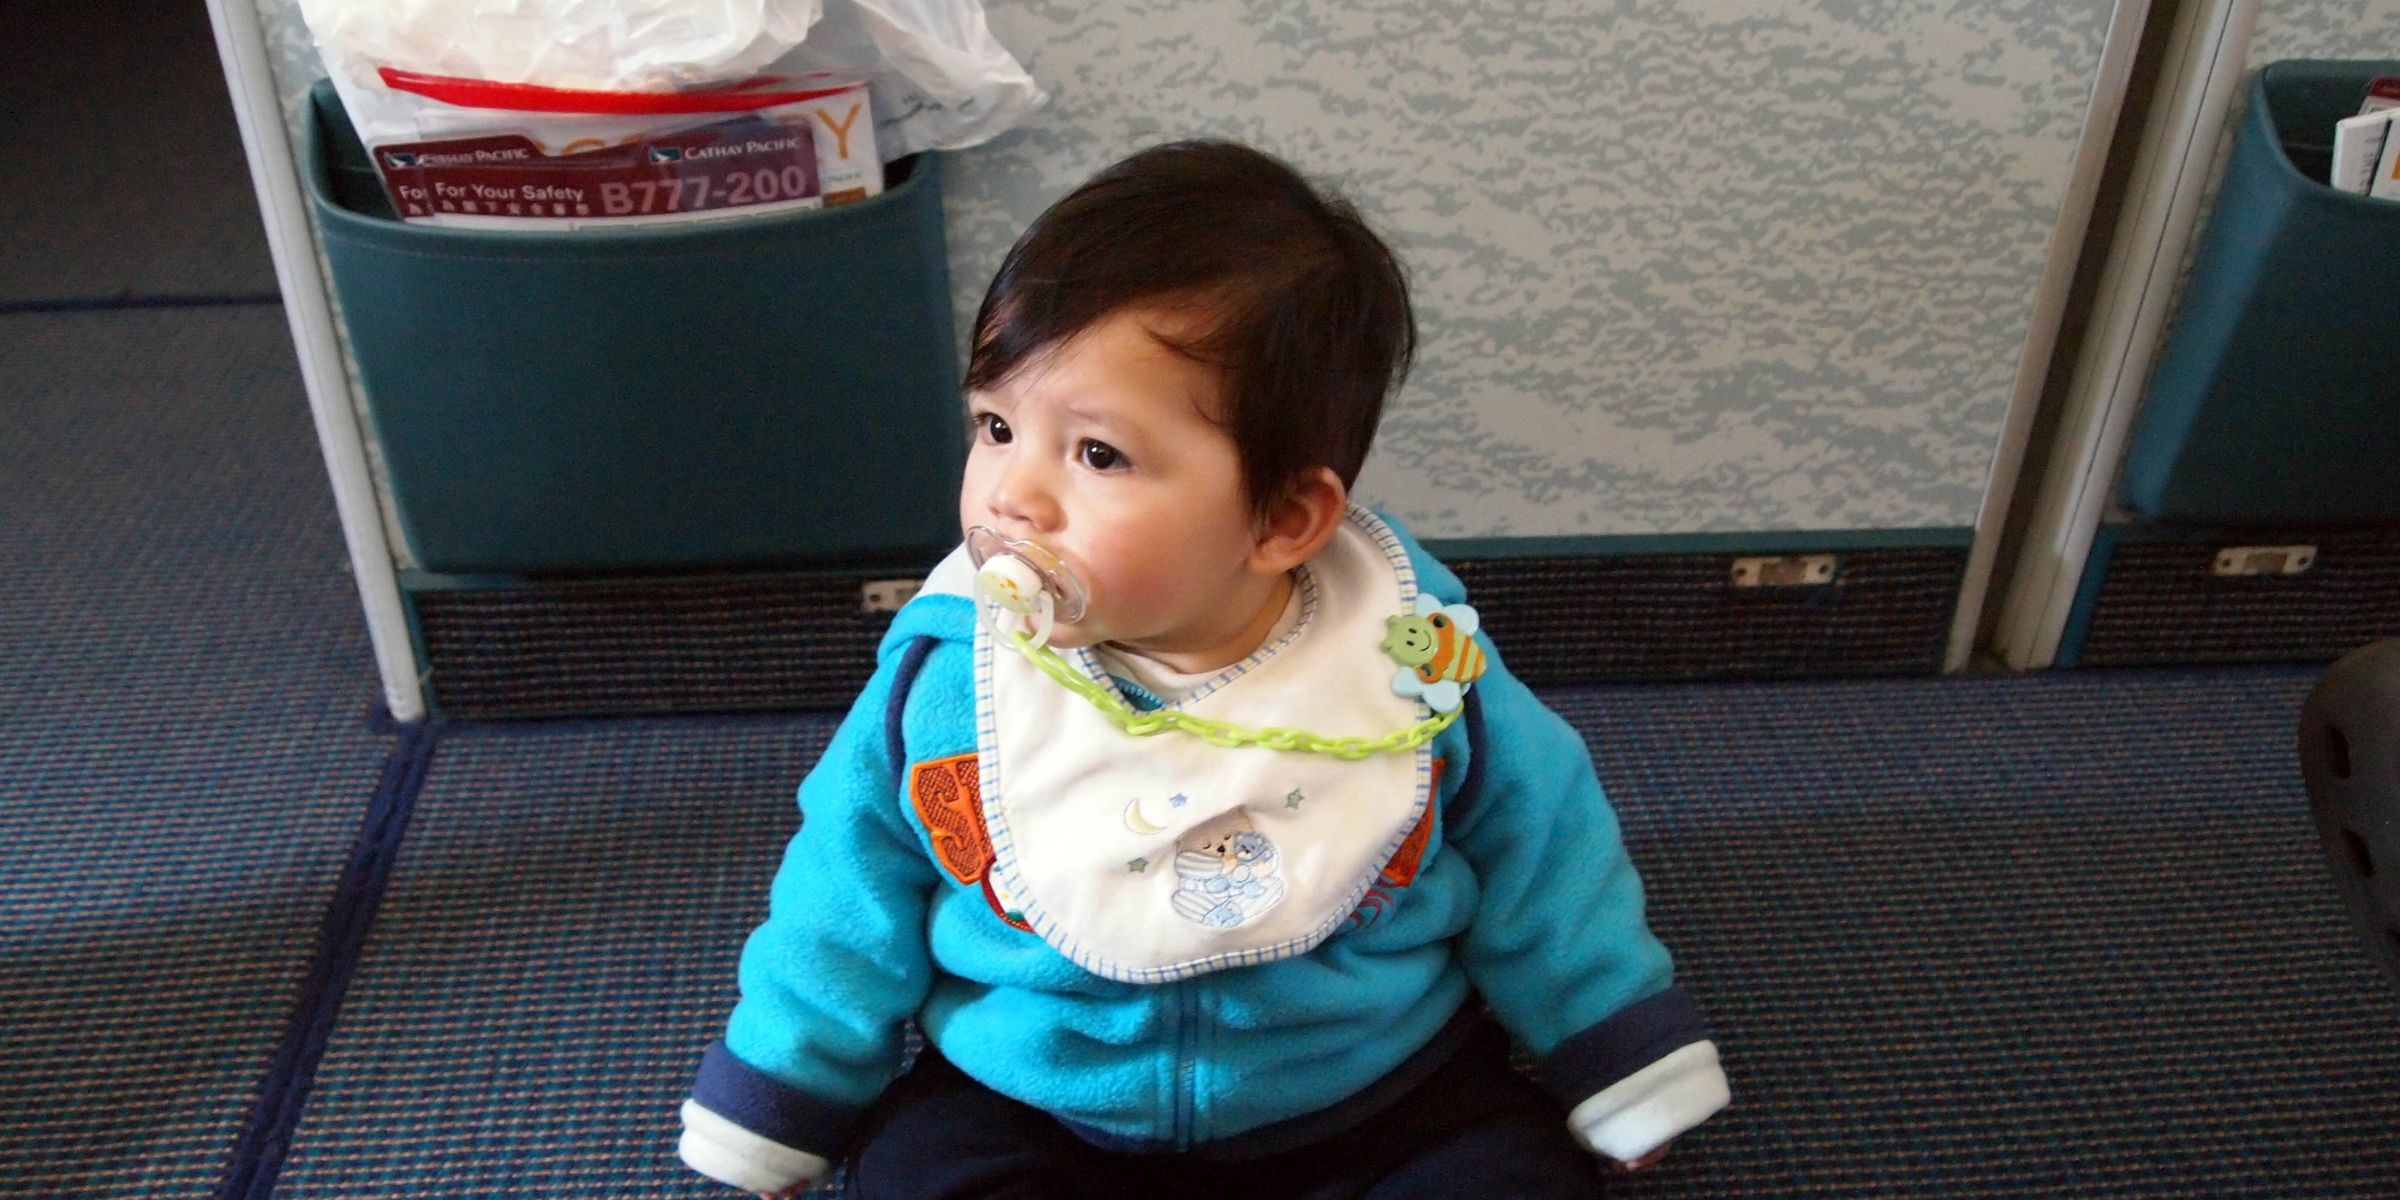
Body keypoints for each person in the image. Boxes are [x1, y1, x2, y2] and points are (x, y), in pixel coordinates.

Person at [678, 140, 1730, 1199]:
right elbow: (842, 894)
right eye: (996, 426)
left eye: (1097, 454)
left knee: (1509, 1176)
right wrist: (781, 1096)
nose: (1014, 498)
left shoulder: (1411, 655)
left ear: (1282, 519)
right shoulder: (950, 676)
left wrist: (1618, 1049)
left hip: (1371, 1084)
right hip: (1039, 1089)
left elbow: (1543, 850)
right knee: (917, 1175)